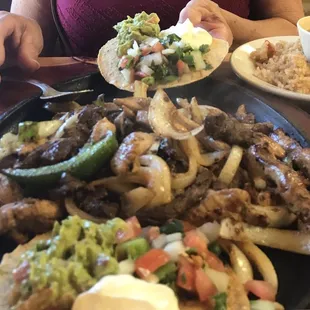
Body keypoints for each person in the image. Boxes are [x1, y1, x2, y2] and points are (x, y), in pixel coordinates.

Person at [0, 0, 305, 74]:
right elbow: (28, 26)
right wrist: (16, 30)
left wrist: (230, 23)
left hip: (227, 97)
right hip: (84, 102)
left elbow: (294, 29)